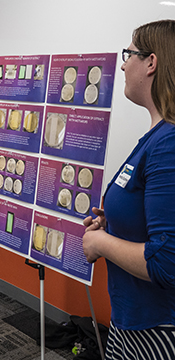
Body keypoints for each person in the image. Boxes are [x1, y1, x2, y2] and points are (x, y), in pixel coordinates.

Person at [82, 20, 175, 359]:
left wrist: (99, 242)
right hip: (132, 320)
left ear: (151, 63)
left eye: (129, 54)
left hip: (157, 328)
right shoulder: (157, 137)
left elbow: (167, 262)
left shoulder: (169, 143)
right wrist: (113, 225)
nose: (123, 64)